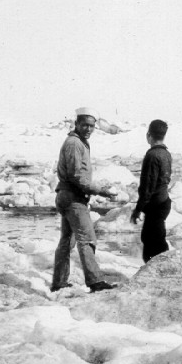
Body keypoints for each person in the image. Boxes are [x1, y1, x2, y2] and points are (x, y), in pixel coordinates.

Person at [51, 110, 115, 293]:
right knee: (87, 239)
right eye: (85, 125)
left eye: (92, 126)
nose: (88, 129)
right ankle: (95, 281)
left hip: (68, 196)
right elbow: (76, 175)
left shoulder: (78, 142)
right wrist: (99, 190)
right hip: (73, 198)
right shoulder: (74, 144)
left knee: (67, 241)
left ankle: (59, 282)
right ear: (76, 124)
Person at [131, 119, 173, 262]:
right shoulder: (166, 153)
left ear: (148, 135)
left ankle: (160, 272)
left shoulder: (152, 155)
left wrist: (138, 209)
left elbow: (148, 187)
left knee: (152, 244)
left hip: (155, 205)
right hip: (163, 201)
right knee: (156, 240)